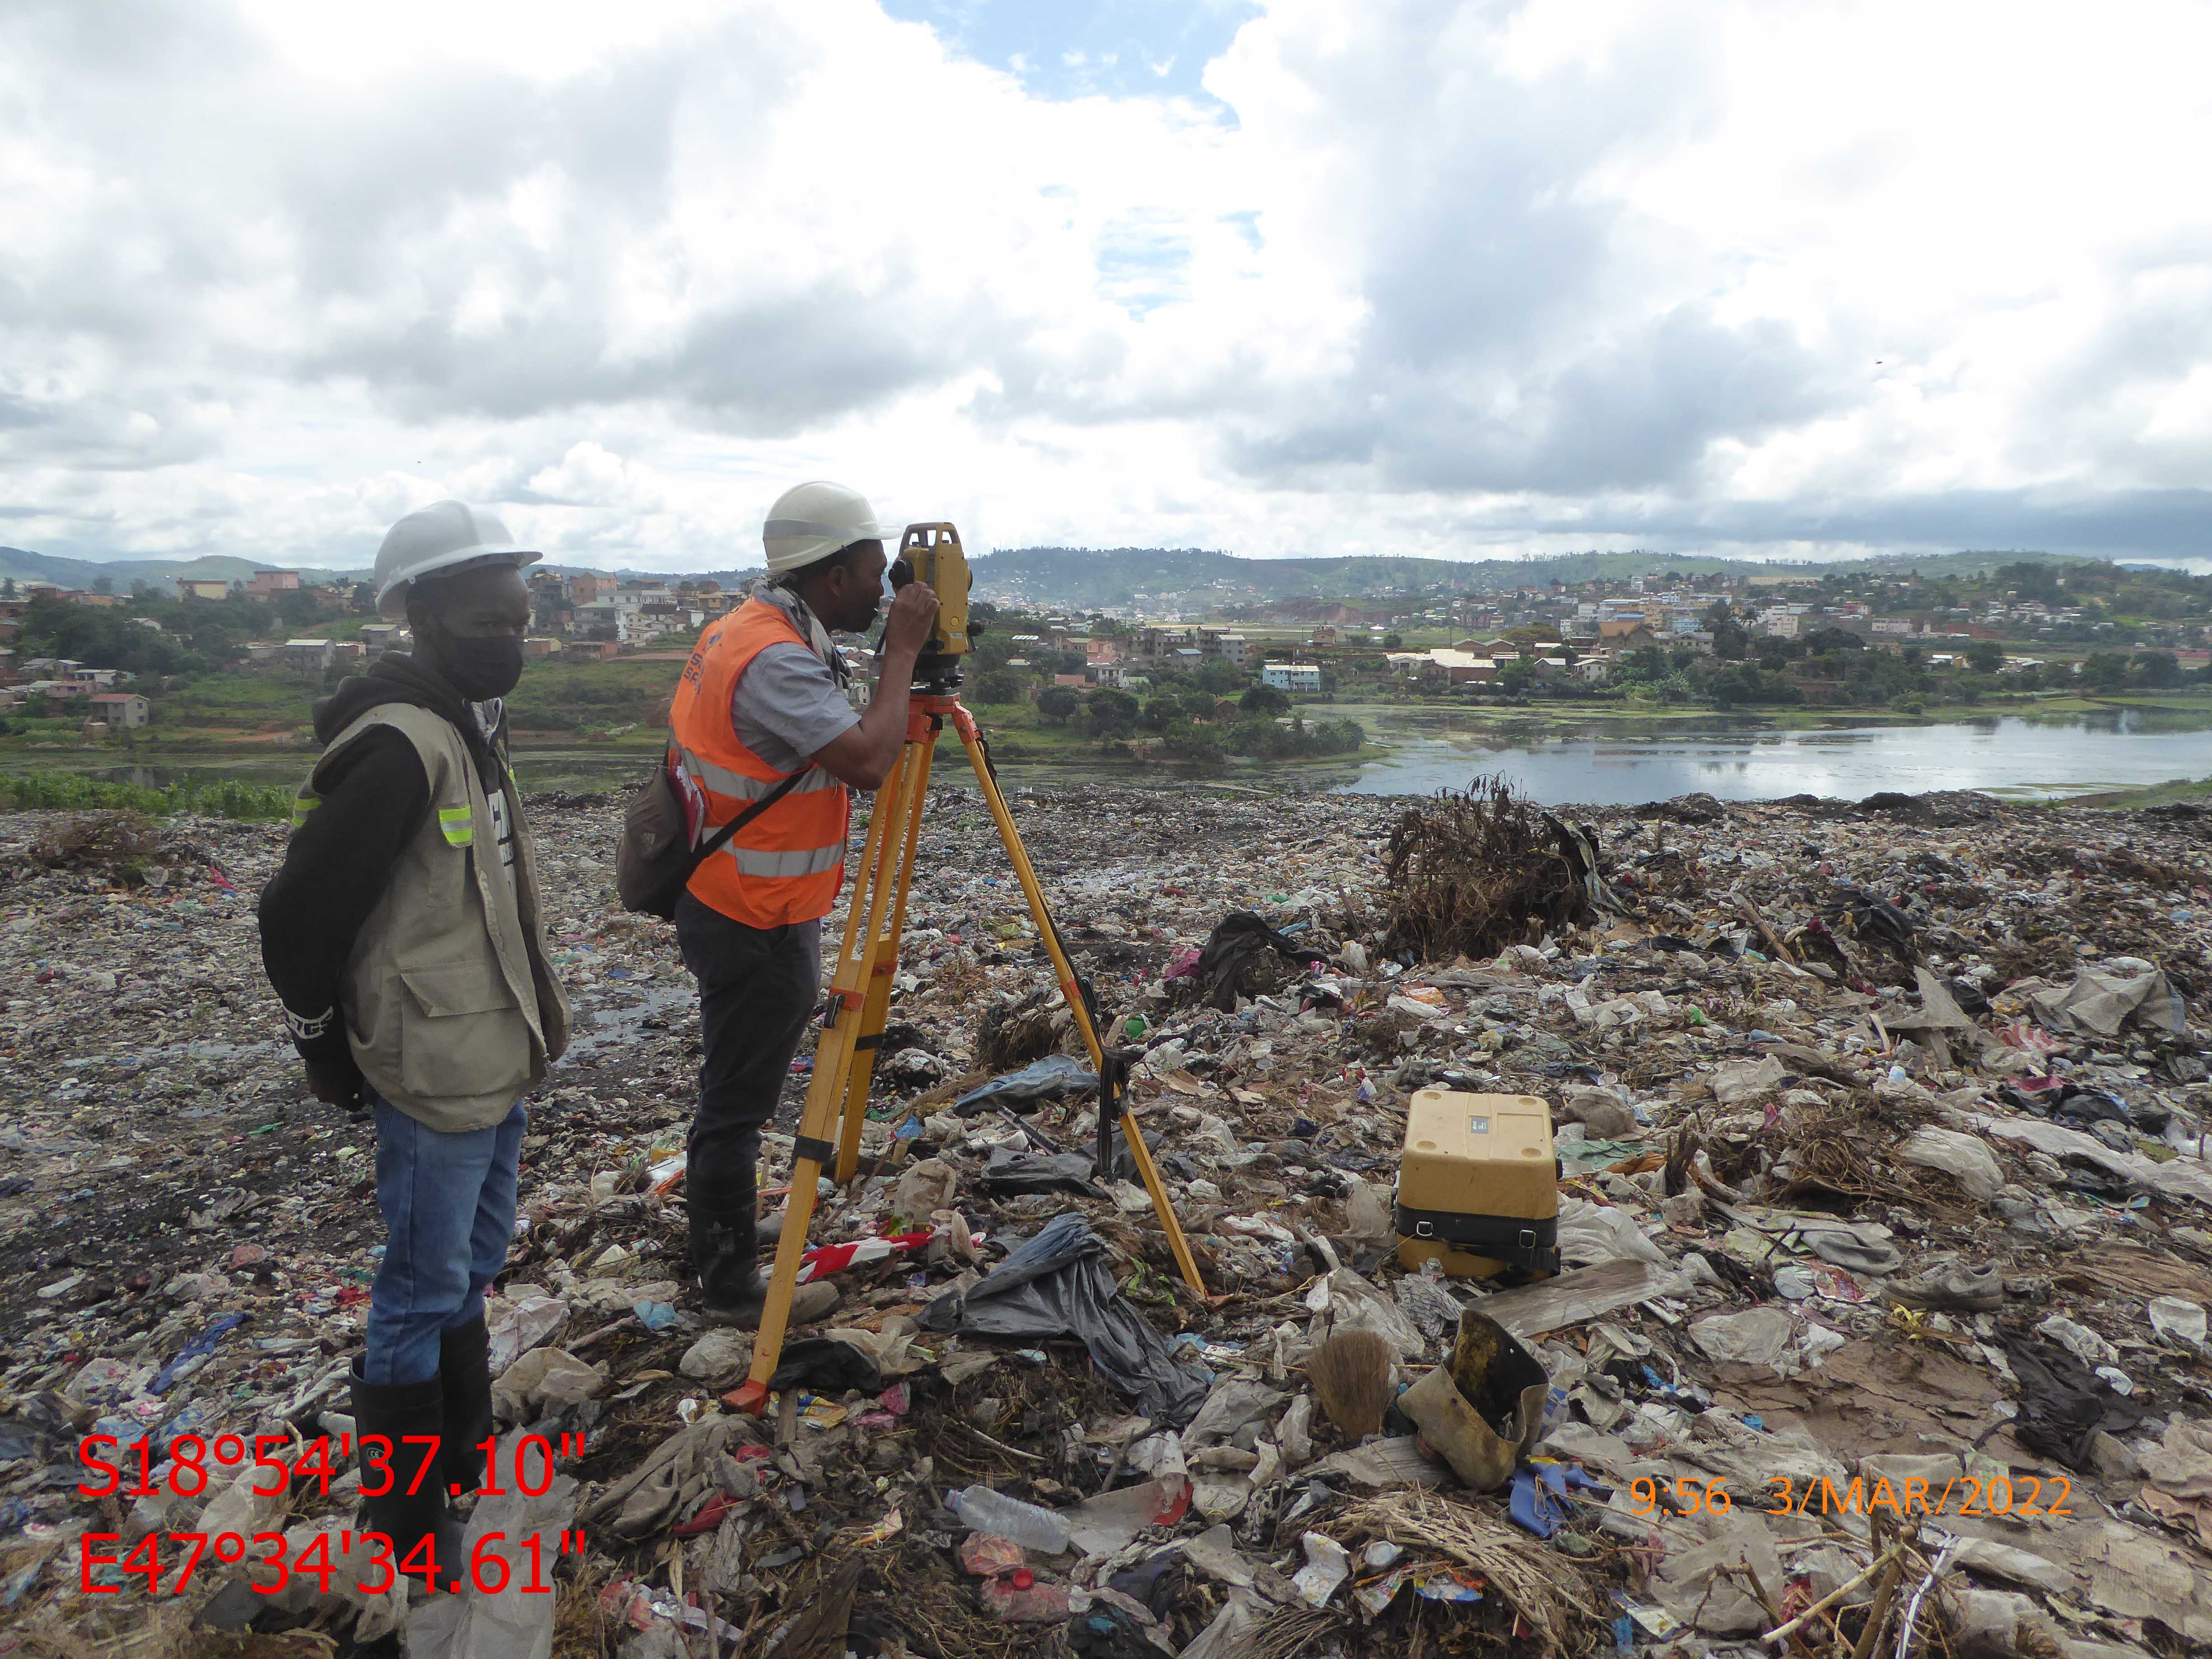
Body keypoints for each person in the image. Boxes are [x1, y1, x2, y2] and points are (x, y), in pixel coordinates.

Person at [258, 501, 570, 1579]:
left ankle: (464, 1466)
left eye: (521, 621)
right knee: (422, 1288)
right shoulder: (397, 746)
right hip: (432, 1063)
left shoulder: (466, 724)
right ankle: (406, 1533)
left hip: (492, 1047)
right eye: (491, 621)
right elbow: (296, 916)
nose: (512, 640)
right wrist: (322, 1044)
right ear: (426, 614)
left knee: (475, 1267)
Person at [666, 480, 938, 1326]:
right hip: (753, 910)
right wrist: (902, 656)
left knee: (739, 1085)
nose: (884, 586)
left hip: (751, 894)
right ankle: (728, 1281)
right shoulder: (776, 655)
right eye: (872, 571)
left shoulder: (756, 628)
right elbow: (864, 760)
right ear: (830, 577)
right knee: (739, 1099)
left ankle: (732, 1231)